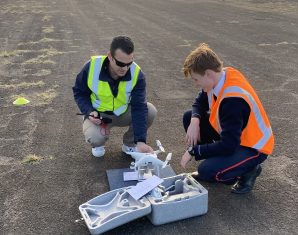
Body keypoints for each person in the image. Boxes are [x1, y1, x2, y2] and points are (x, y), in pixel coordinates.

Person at [180, 43, 274, 194]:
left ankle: (248, 170)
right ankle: (222, 163)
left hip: (253, 146)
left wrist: (194, 151)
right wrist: (194, 121)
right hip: (235, 137)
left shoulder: (233, 101)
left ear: (208, 73)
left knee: (206, 171)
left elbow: (229, 145)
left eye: (196, 79)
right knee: (189, 116)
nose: (195, 84)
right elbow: (199, 102)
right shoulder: (221, 76)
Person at [73, 36, 157, 158]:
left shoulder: (137, 74)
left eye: (129, 63)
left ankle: (129, 144)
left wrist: (140, 141)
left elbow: (139, 107)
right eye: (120, 63)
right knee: (96, 139)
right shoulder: (91, 67)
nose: (125, 68)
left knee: (150, 111)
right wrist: (89, 111)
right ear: (110, 56)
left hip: (123, 112)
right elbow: (79, 92)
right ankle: (98, 142)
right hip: (99, 115)